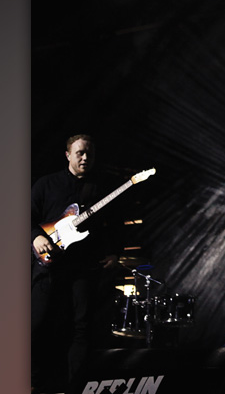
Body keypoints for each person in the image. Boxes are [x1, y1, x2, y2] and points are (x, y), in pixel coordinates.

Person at [31, 135, 120, 393]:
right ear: (68, 155)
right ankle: (33, 382)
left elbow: (114, 224)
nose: (85, 158)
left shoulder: (101, 188)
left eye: (89, 154)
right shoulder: (47, 184)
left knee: (81, 327)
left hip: (84, 267)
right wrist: (35, 236)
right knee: (38, 324)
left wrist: (114, 253)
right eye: (80, 153)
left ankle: (75, 386)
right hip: (49, 268)